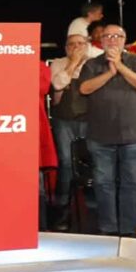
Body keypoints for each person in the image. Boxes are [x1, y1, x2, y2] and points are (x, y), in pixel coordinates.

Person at [78, 24, 136, 236]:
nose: (112, 39)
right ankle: (108, 228)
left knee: (131, 182)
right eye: (107, 36)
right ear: (100, 41)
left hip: (133, 134)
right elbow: (84, 88)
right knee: (103, 183)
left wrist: (120, 66)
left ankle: (129, 229)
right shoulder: (92, 64)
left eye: (117, 36)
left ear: (124, 40)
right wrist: (109, 73)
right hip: (101, 135)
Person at [48, 33, 92, 229]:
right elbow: (57, 84)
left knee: (92, 161)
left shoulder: (94, 64)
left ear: (87, 46)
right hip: (64, 120)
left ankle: (93, 208)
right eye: (71, 44)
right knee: (66, 163)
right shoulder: (58, 63)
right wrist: (72, 63)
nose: (76, 47)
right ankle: (62, 210)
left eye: (80, 44)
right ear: (66, 48)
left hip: (90, 120)